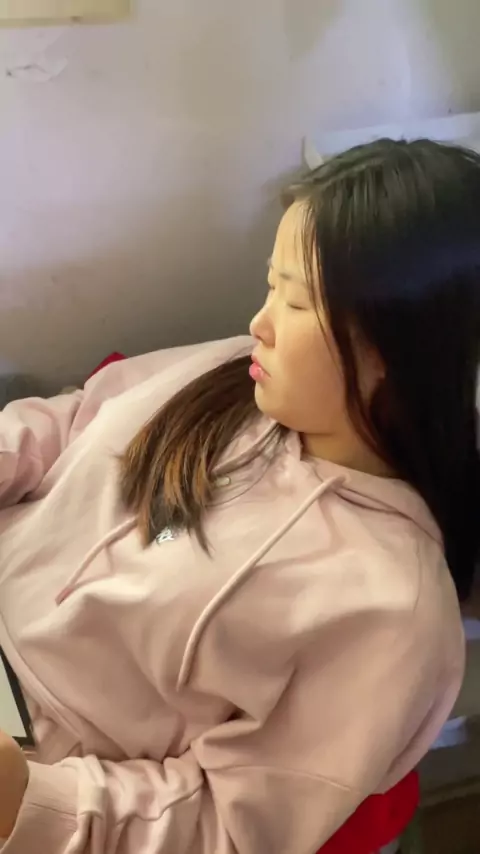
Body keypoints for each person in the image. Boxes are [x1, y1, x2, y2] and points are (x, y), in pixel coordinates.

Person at [0, 137, 479, 854]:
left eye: (295, 299)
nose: (260, 322)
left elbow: (226, 825)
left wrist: (30, 804)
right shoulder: (238, 370)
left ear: (390, 348)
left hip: (38, 764)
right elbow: (73, 419)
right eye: (270, 286)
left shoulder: (387, 611)